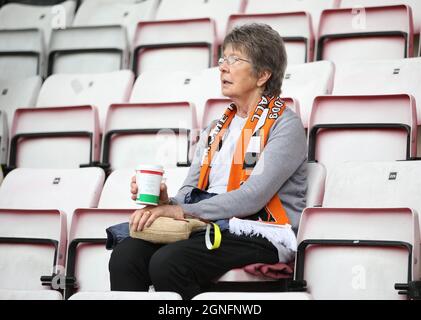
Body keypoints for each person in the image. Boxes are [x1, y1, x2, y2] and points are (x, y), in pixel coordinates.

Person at [109, 23, 307, 300]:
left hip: (257, 230)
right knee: (125, 256)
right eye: (223, 59)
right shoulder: (217, 127)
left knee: (168, 262)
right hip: (209, 224)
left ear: (263, 75)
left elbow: (253, 197)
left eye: (234, 60)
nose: (223, 67)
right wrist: (166, 203)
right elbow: (190, 192)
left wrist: (182, 212)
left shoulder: (286, 126)